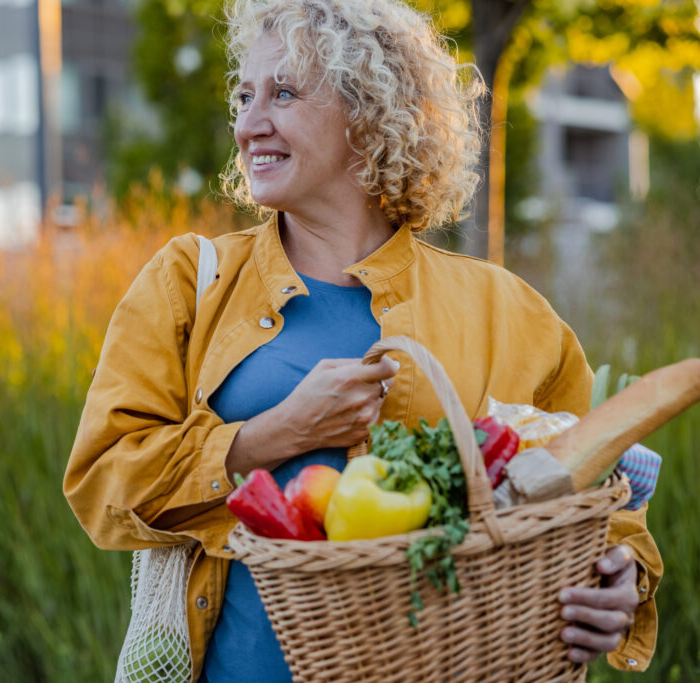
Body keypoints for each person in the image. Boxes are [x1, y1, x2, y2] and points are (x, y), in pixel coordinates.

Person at [63, 0, 662, 680]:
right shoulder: (188, 284)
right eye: (244, 95)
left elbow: (598, 487)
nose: (249, 124)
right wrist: (269, 435)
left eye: (283, 93)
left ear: (370, 112)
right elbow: (102, 482)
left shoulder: (508, 311)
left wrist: (619, 576)